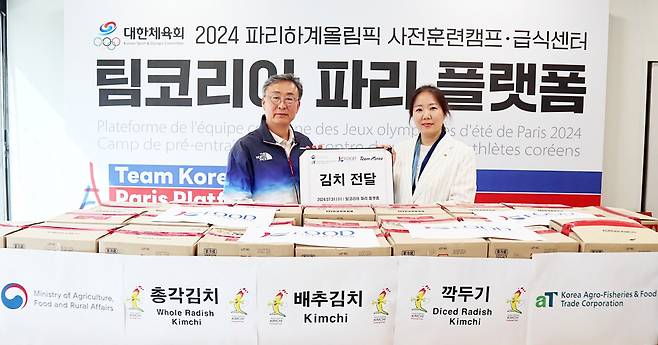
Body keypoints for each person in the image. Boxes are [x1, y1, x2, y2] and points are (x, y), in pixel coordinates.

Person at [223, 73, 313, 203]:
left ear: (298, 105)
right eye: (276, 98)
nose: (282, 105)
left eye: (289, 99)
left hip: (301, 222)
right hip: (264, 222)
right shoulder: (245, 147)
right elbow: (235, 200)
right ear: (264, 103)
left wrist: (321, 163)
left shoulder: (305, 144)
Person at [393, 85, 476, 204]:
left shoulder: (462, 153)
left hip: (440, 222)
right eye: (419, 110)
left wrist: (421, 215)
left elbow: (462, 202)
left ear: (444, 113)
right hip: (397, 222)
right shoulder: (399, 150)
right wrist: (381, 164)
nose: (426, 115)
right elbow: (384, 194)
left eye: (432, 108)